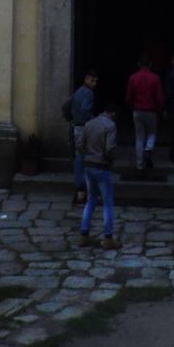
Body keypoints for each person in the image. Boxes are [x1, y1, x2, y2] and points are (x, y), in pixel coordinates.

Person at [77, 99, 119, 249]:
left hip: (88, 165)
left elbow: (80, 145)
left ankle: (84, 235)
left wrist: (87, 155)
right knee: (107, 203)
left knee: (90, 200)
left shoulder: (89, 124)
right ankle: (108, 238)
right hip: (102, 167)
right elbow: (109, 149)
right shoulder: (111, 126)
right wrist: (110, 161)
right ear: (113, 113)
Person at [125, 53, 165, 177]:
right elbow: (159, 98)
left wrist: (132, 106)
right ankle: (148, 149)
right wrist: (160, 108)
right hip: (151, 110)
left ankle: (139, 165)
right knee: (152, 133)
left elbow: (128, 97)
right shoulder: (155, 78)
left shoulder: (133, 78)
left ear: (138, 64)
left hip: (137, 110)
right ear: (150, 65)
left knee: (139, 137)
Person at [66, 70, 98, 203]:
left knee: (78, 157)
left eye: (96, 81)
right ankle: (83, 189)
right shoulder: (88, 93)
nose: (95, 84)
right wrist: (95, 120)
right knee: (83, 158)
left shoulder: (78, 91)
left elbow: (67, 106)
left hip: (75, 126)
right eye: (93, 81)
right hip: (83, 127)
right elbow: (86, 110)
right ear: (86, 79)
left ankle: (80, 189)